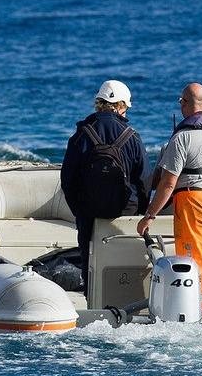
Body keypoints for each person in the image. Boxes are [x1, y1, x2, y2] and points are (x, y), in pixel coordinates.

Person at [136, 83, 202, 317]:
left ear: (184, 103)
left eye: (181, 101)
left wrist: (149, 216)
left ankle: (201, 309)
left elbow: (168, 183)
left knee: (194, 259)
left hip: (193, 201)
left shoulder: (182, 138)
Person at [59, 80, 148, 293]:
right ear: (120, 106)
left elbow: (67, 179)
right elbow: (144, 179)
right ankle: (128, 293)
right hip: (125, 208)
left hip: (89, 210)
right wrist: (141, 211)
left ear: (99, 103)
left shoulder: (81, 134)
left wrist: (79, 209)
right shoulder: (132, 136)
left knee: (87, 255)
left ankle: (92, 294)